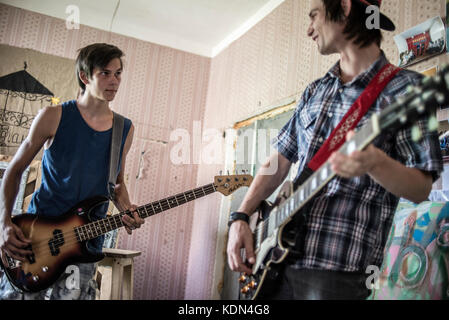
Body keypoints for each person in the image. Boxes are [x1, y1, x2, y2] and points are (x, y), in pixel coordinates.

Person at [226, 0, 444, 300]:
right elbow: (279, 159)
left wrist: (376, 163)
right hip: (274, 259)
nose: (308, 29)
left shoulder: (408, 90)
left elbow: (421, 188)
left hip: (337, 272)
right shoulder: (314, 91)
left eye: (314, 15)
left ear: (343, 7)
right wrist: (240, 216)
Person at [0, 43, 144, 300]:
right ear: (85, 76)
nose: (114, 81)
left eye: (118, 73)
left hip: (85, 244)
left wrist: (128, 209)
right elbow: (15, 169)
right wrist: (4, 223)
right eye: (105, 73)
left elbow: (117, 184)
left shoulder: (125, 129)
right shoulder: (53, 116)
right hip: (37, 238)